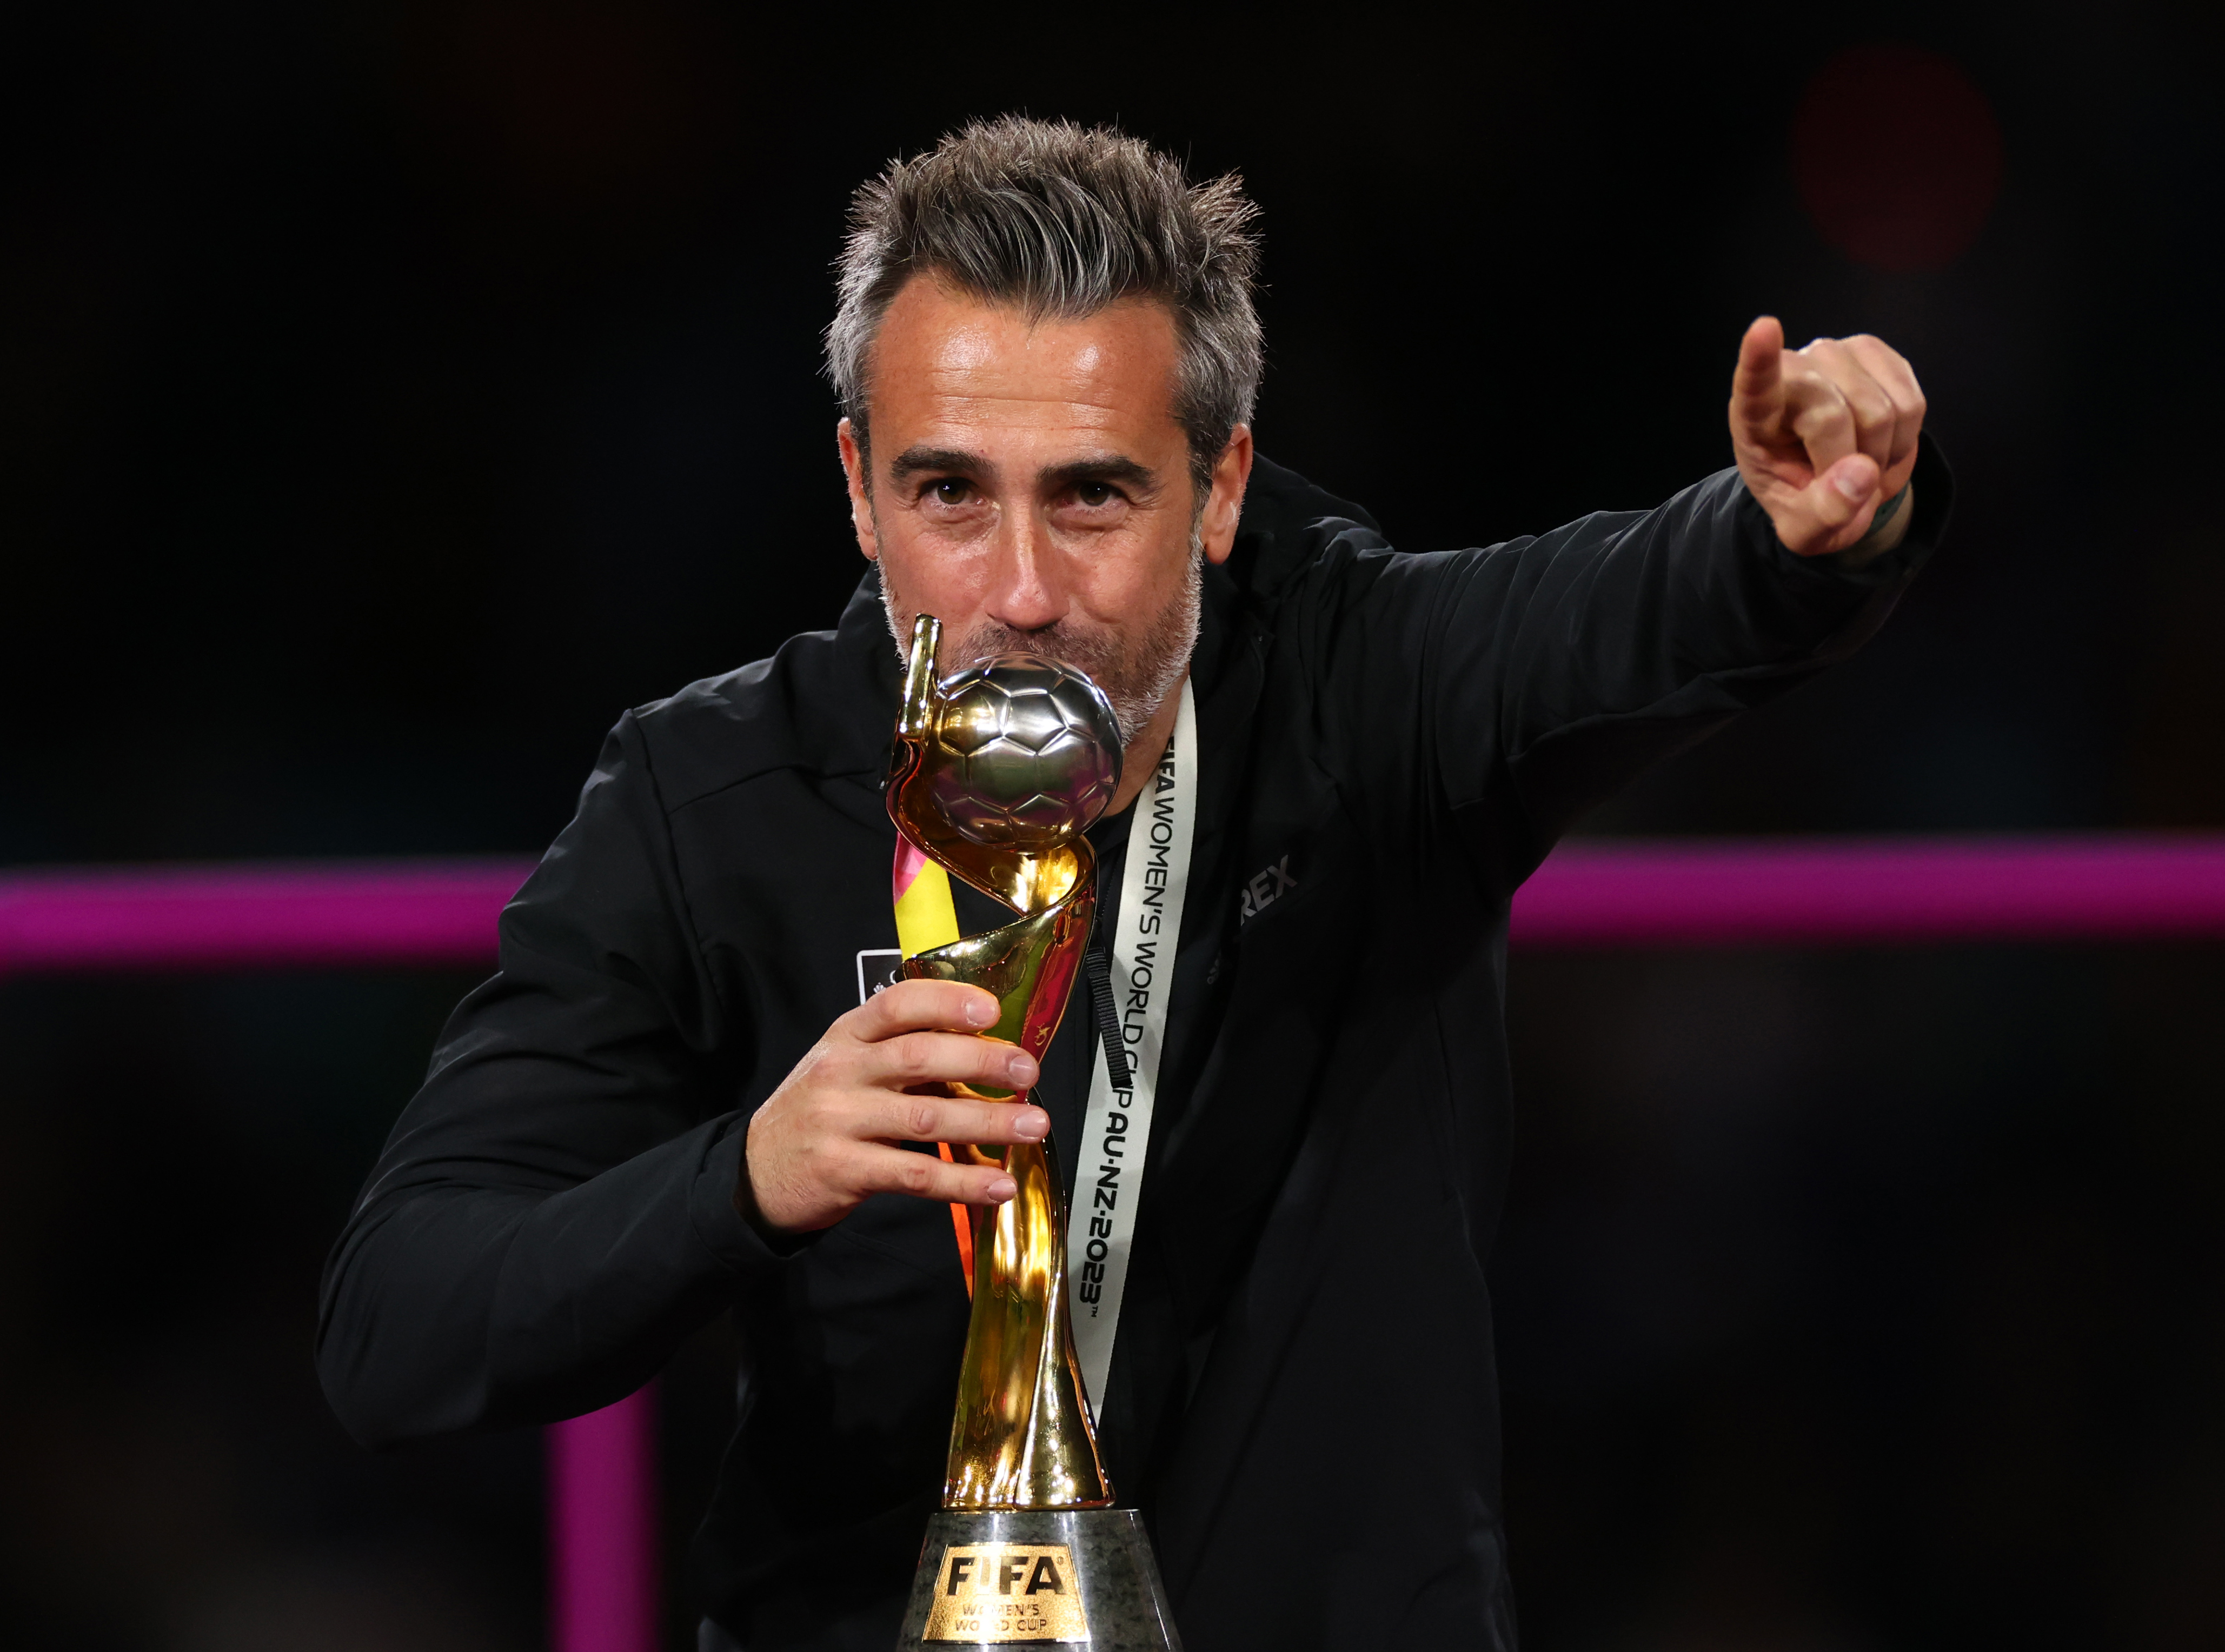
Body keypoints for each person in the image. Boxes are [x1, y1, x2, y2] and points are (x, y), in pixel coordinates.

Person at [318, 116, 1950, 1650]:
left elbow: (1629, 610)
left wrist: (1796, 536)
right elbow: (399, 1327)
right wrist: (746, 1175)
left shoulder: (1364, 689)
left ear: (1222, 488)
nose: (1024, 591)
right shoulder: (714, 796)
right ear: (859, 491)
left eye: (1093, 493)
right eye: (950, 493)